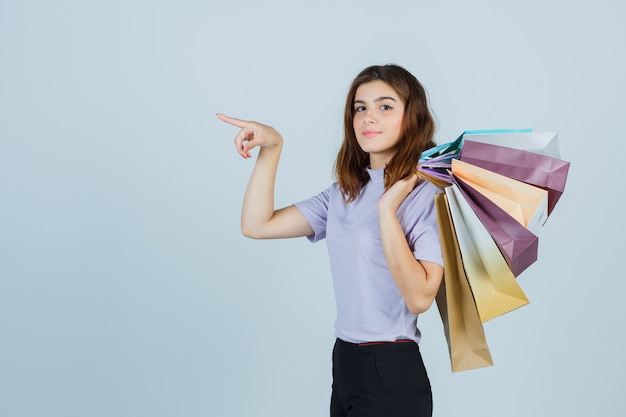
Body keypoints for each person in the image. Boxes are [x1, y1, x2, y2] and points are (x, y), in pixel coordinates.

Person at [217, 64, 444, 417]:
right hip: (345, 362)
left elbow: (419, 298)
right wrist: (273, 147)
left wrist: (387, 210)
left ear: (411, 117)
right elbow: (257, 225)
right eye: (360, 107)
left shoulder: (425, 194)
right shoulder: (345, 193)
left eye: (385, 106)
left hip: (390, 367)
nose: (369, 118)